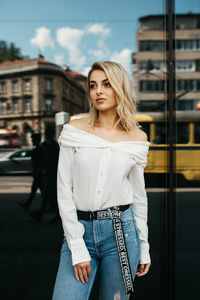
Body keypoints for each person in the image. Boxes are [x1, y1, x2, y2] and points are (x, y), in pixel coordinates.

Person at [52, 61, 151, 300]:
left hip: (123, 235)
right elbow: (64, 189)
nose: (98, 91)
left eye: (107, 84)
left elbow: (139, 198)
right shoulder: (74, 130)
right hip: (80, 231)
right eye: (93, 85)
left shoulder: (137, 137)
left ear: (120, 88)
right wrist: (76, 246)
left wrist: (144, 247)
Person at [29, 125, 60, 221]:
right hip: (53, 171)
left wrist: (38, 170)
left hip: (51, 172)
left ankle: (58, 215)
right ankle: (42, 213)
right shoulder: (54, 144)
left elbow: (47, 159)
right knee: (48, 193)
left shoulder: (50, 144)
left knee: (52, 194)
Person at [18, 133, 44, 210]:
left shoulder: (38, 150)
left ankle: (50, 206)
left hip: (38, 173)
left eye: (33, 139)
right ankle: (27, 204)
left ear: (37, 140)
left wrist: (37, 171)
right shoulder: (38, 149)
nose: (32, 141)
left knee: (42, 191)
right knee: (37, 190)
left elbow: (40, 162)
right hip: (38, 172)